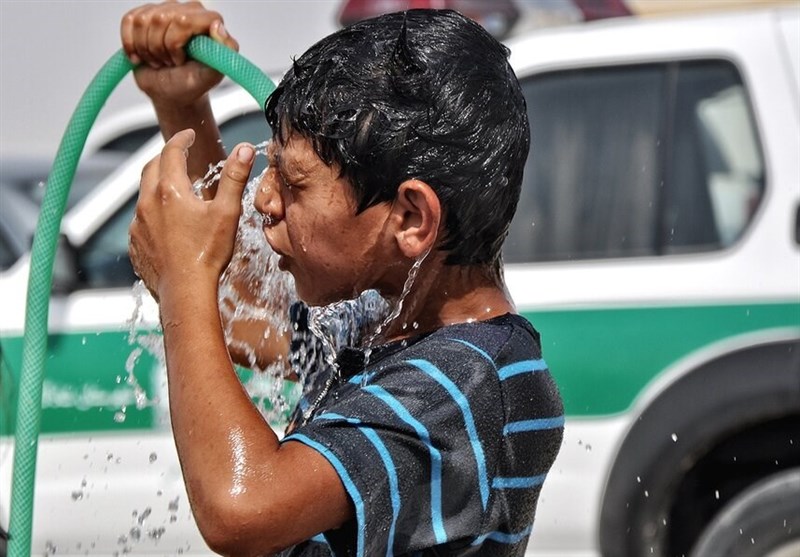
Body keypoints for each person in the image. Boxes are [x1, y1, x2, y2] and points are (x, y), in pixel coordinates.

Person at [123, 2, 564, 555]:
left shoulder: (465, 382)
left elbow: (241, 507)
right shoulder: (386, 323)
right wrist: (183, 106)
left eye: (294, 182)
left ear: (410, 218)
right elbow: (237, 319)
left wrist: (182, 280)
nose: (263, 199)